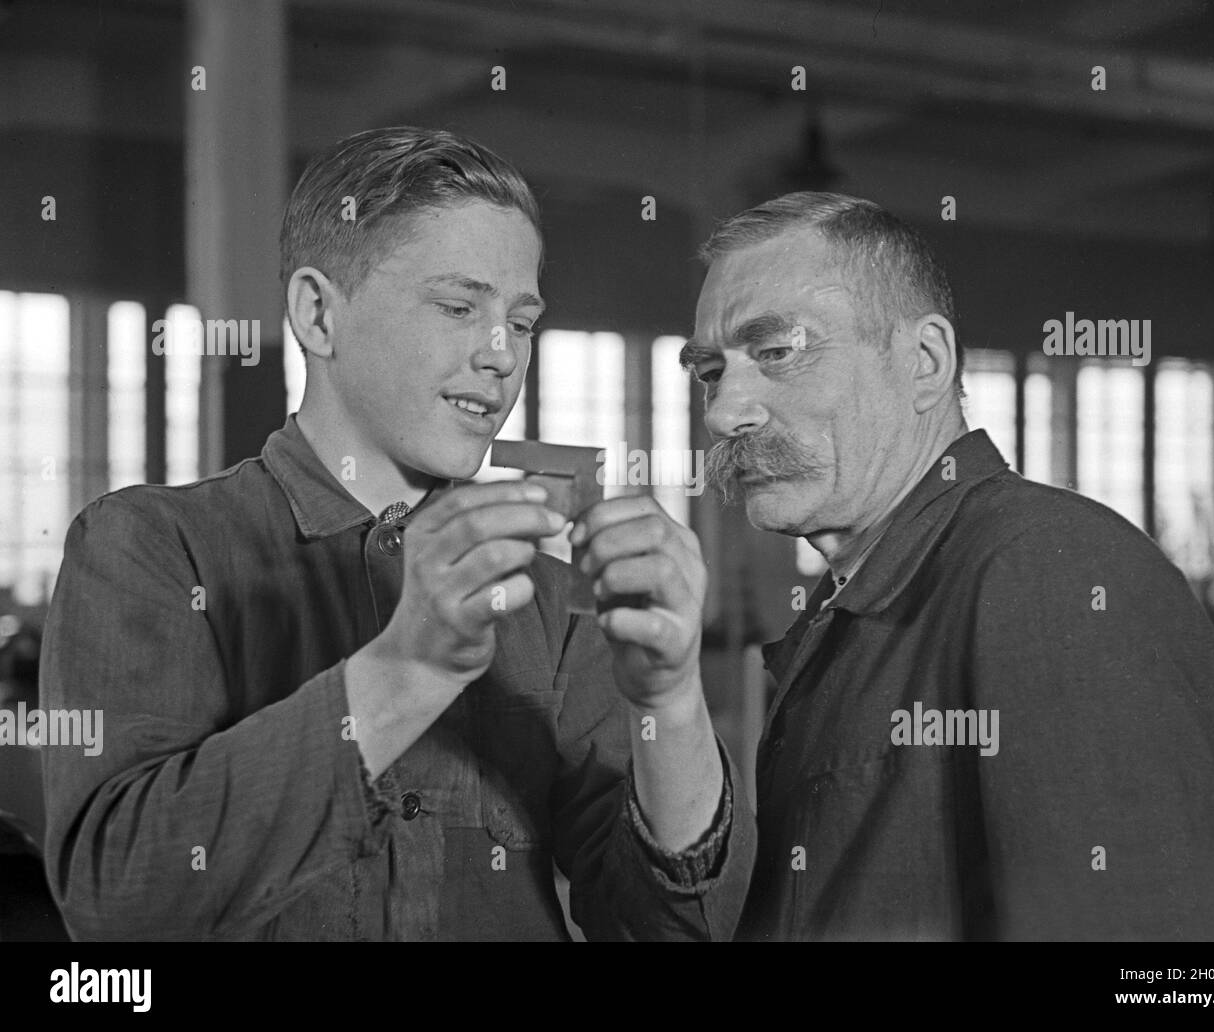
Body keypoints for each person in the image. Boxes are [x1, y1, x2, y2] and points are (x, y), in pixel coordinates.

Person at [40, 126, 754, 941]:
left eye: (521, 323)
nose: (501, 357)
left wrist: (673, 701)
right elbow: (120, 900)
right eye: (458, 307)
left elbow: (674, 928)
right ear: (318, 314)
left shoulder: (557, 605)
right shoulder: (152, 547)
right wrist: (406, 670)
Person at [683, 191, 1214, 940]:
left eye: (777, 352)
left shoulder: (1048, 575)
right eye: (710, 373)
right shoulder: (860, 600)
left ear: (925, 363)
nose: (726, 412)